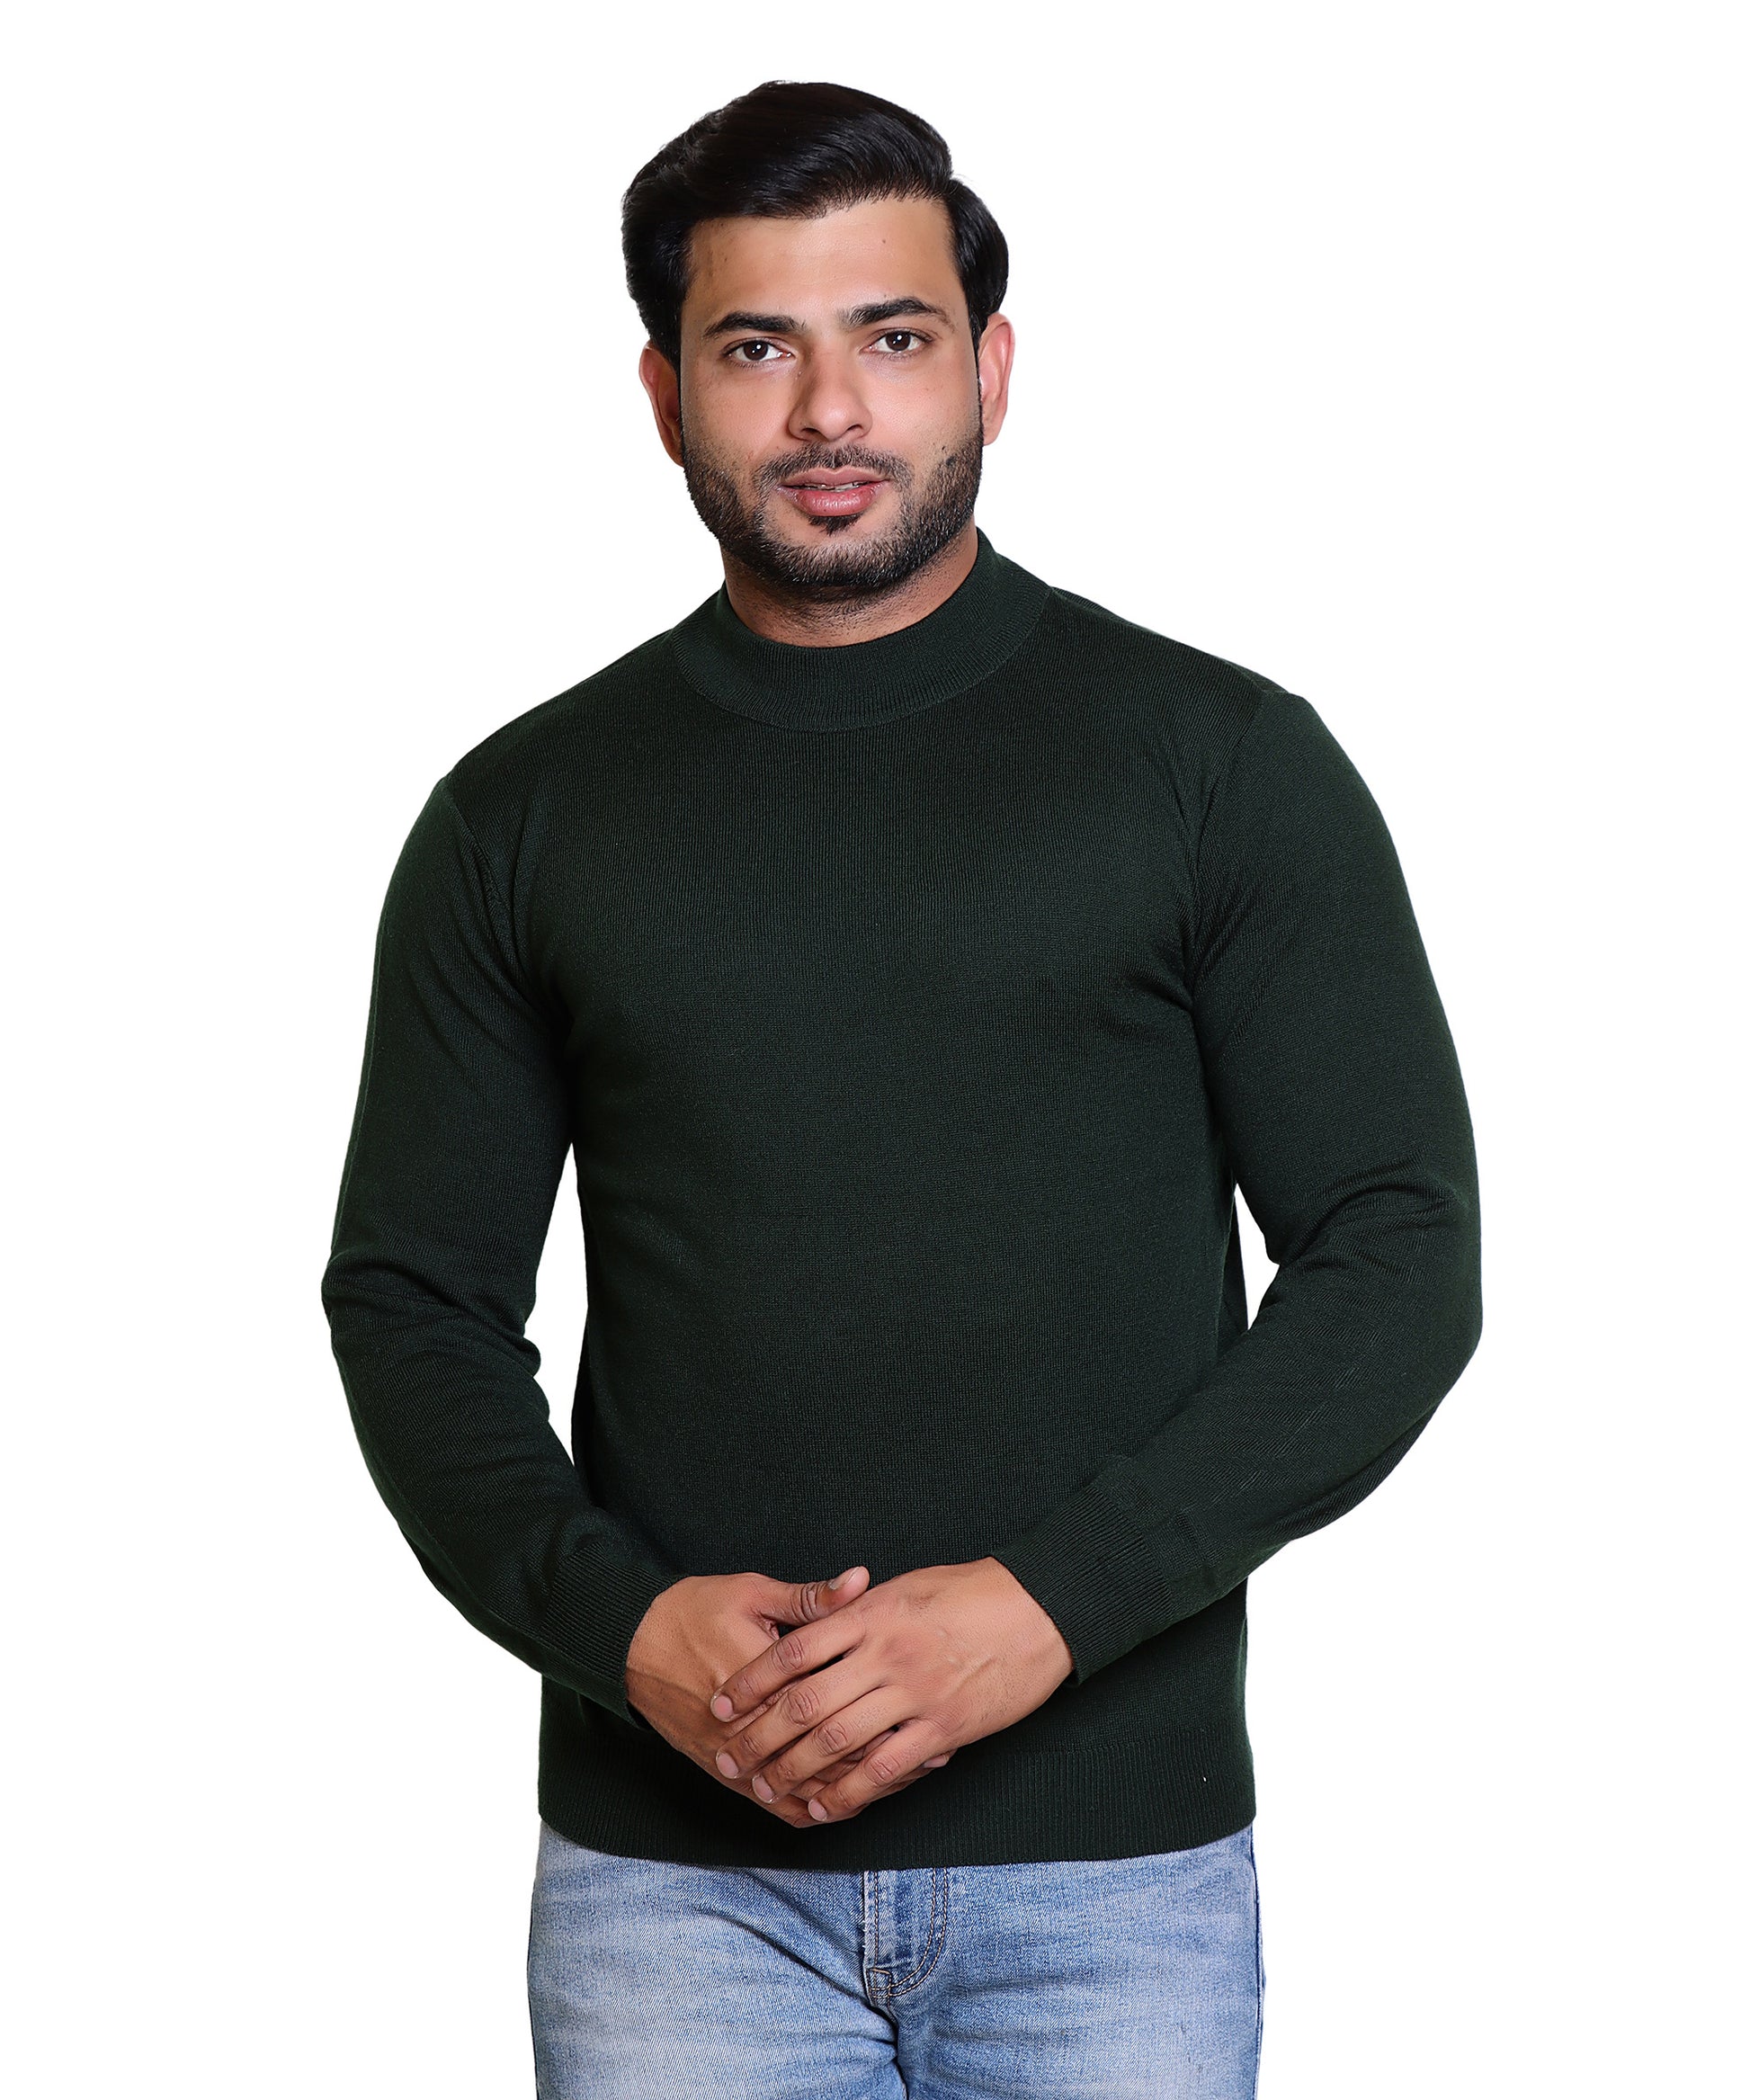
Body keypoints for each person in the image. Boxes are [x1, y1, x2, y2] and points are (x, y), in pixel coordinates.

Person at [321, 76, 1483, 2099]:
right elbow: (412, 1300)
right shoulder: (522, 814)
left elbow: (1396, 1253)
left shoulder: (1219, 763)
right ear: (665, 395)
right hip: (672, 1892)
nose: (831, 411)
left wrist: (1048, 1609)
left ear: (992, 370)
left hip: (1112, 1874)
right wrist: (623, 1629)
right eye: (756, 348)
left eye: (892, 336)